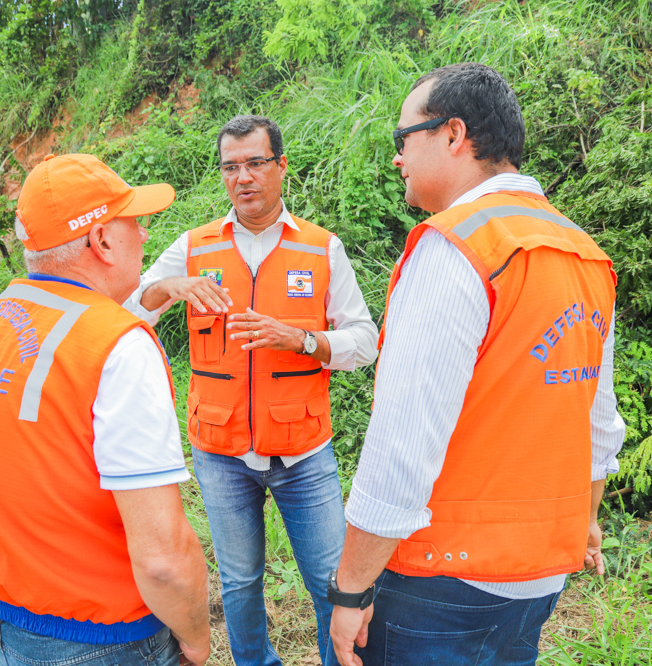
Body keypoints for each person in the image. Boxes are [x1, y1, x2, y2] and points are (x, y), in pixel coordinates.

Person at [327, 63, 626, 666]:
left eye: (402, 139)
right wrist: (585, 520)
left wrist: (351, 587)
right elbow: (598, 423)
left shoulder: (456, 246)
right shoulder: (583, 254)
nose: (396, 159)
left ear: (453, 134)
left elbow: (402, 446)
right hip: (539, 577)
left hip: (439, 585)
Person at [0, 154, 211, 666]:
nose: (144, 237)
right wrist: (196, 639)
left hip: (4, 617)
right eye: (133, 223)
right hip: (105, 637)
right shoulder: (119, 348)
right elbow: (164, 558)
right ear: (101, 241)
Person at [126, 115, 378, 666]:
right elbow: (123, 308)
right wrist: (168, 285)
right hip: (220, 451)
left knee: (329, 582)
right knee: (239, 584)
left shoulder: (321, 248)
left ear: (280, 167)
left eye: (256, 163)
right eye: (231, 167)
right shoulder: (194, 247)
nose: (244, 177)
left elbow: (365, 342)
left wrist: (303, 339)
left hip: (304, 450)